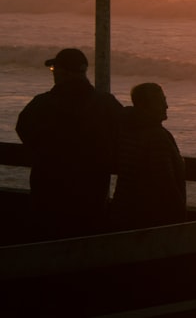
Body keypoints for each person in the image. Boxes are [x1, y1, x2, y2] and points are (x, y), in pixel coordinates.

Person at [15, 48, 123, 239]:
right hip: (92, 189)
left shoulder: (42, 104)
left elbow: (23, 128)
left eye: (54, 69)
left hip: (49, 188)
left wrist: (45, 152)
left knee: (49, 244)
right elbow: (123, 133)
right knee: (86, 244)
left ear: (64, 71)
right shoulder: (106, 104)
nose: (53, 73)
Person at [110, 83, 186, 229]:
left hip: (124, 210)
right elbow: (165, 182)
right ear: (145, 106)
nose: (166, 106)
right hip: (151, 218)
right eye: (160, 101)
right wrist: (179, 214)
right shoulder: (156, 136)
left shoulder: (127, 130)